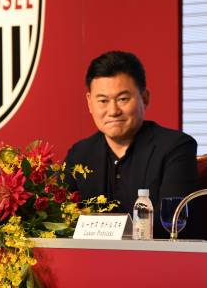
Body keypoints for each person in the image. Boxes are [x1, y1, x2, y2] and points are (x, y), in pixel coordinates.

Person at [64, 51, 199, 238]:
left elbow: (172, 222)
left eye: (123, 99)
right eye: (103, 101)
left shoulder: (176, 148)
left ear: (145, 97)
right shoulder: (80, 154)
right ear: (89, 103)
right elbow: (61, 219)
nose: (113, 111)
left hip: (155, 261)